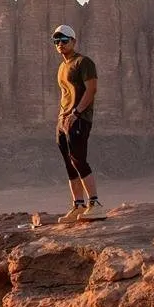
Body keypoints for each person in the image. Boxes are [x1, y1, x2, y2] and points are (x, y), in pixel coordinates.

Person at [52, 24, 99, 221]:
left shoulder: (84, 62)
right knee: (68, 163)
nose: (60, 44)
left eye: (64, 40)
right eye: (57, 41)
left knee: (79, 159)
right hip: (63, 121)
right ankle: (77, 206)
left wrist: (77, 113)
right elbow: (65, 94)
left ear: (73, 41)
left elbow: (91, 90)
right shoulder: (62, 66)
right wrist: (62, 118)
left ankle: (94, 204)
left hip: (79, 119)